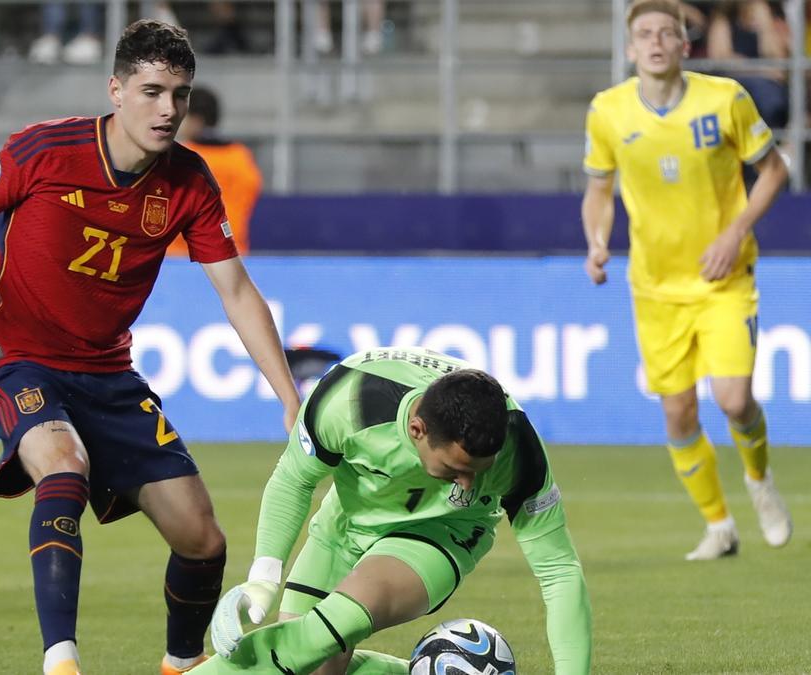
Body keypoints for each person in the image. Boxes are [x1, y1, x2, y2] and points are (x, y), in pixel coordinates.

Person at [0, 19, 301, 675]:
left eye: (179, 94)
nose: (168, 109)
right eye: (152, 91)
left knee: (202, 537)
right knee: (61, 466)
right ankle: (61, 660)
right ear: (116, 89)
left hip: (110, 378)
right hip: (18, 361)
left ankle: (182, 663)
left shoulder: (190, 181)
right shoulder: (41, 150)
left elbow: (236, 291)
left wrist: (291, 399)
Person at [193, 347, 592, 674]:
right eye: (456, 469)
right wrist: (263, 576)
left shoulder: (518, 447)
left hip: (441, 534)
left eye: (477, 473)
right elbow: (293, 480)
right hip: (344, 527)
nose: (467, 485)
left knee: (314, 637)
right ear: (417, 430)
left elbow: (558, 570)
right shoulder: (349, 400)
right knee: (308, 668)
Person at [582, 0, 792, 561]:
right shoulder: (608, 111)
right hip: (654, 286)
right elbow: (599, 191)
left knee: (734, 398)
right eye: (643, 34)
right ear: (630, 49)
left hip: (724, 276)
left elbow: (775, 170)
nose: (654, 42)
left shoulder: (724, 99)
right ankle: (719, 526)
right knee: (677, 412)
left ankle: (759, 479)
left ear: (685, 46)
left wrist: (735, 231)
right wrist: (598, 242)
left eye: (665, 33)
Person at [169, 86, 262, 257]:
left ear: (196, 120)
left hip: (180, 256)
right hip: (232, 255)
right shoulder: (241, 157)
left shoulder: (179, 157)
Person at [706, 0, 791, 129]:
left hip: (768, 83)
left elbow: (777, 60)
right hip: (735, 81)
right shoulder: (724, 18)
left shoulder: (769, 18)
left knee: (777, 95)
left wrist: (765, 26)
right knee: (767, 94)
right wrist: (762, 70)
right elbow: (721, 59)